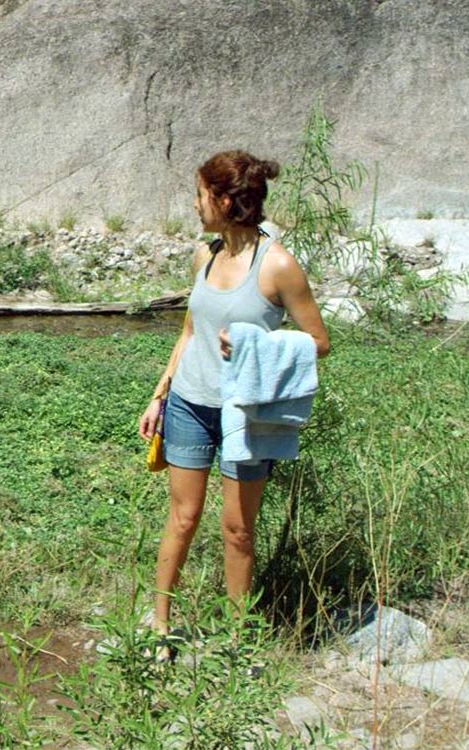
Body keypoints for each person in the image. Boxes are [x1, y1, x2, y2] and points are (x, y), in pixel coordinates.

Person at [138, 150, 330, 651]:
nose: (196, 206)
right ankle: (158, 626)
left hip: (244, 416)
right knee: (182, 518)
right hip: (189, 404)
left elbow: (318, 342)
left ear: (224, 199)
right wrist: (161, 393)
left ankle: (237, 641)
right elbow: (188, 330)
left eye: (200, 195)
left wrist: (255, 344)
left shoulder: (279, 265)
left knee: (238, 531)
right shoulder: (207, 254)